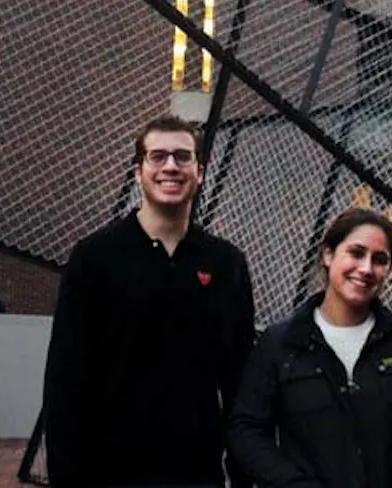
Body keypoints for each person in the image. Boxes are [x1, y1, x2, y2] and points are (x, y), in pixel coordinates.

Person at [43, 114, 256, 488]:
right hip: (109, 472)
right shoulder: (95, 257)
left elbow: (239, 380)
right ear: (139, 171)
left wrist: (242, 475)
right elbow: (66, 379)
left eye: (182, 156)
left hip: (197, 473)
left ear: (200, 171)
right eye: (158, 157)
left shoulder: (226, 264)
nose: (171, 166)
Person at [229, 208, 392, 488]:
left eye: (380, 259)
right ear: (328, 254)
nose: (366, 269)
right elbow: (246, 430)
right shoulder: (281, 343)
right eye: (356, 253)